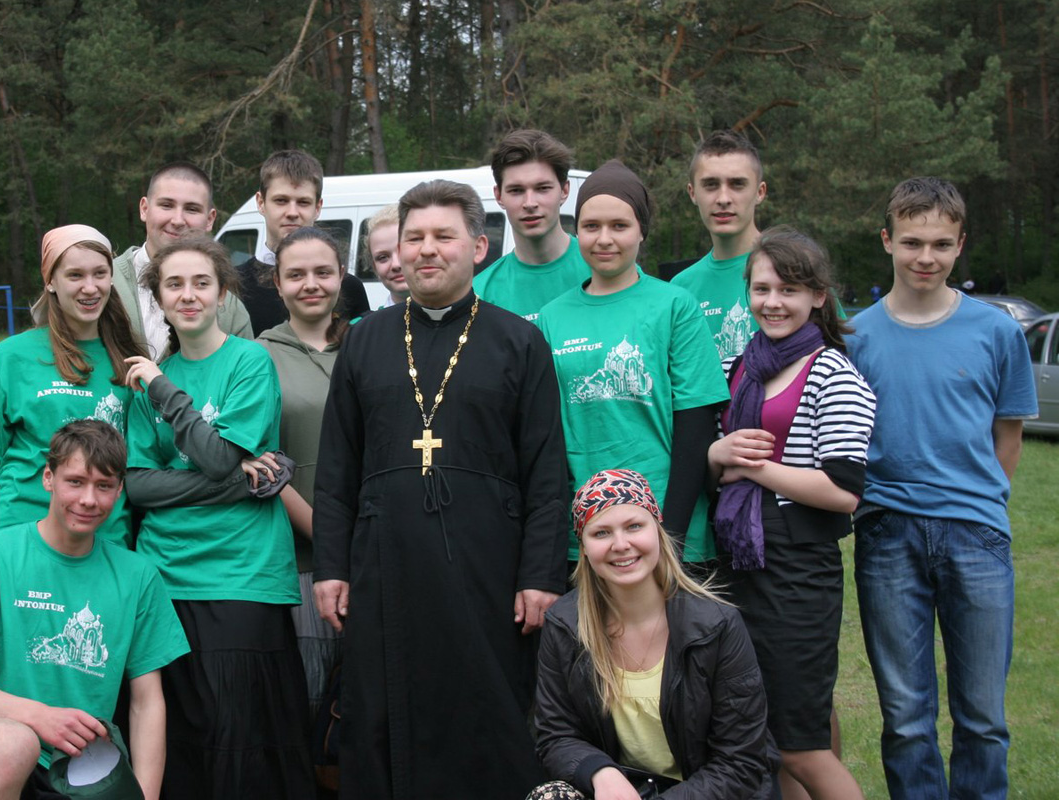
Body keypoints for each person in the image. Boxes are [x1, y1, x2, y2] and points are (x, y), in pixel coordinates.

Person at [313, 179, 570, 800]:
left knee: (483, 710)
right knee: (381, 711)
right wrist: (330, 567)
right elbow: (336, 468)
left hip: (487, 567)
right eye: (414, 238)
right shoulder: (365, 340)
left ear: (478, 247)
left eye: (443, 237)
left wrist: (541, 574)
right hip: (384, 566)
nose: (426, 250)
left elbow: (546, 469)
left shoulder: (519, 340)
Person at [847, 177, 1036, 800]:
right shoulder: (854, 337)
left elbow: (1007, 435)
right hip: (887, 534)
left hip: (976, 535)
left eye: (939, 244)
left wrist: (982, 505)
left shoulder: (996, 332)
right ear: (887, 241)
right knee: (905, 718)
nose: (924, 257)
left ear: (960, 246)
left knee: (982, 718)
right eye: (911, 242)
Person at [125, 235, 313, 798]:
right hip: (165, 574)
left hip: (242, 575)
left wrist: (165, 392)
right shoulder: (148, 381)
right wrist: (235, 485)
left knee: (243, 733)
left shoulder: (248, 362)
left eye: (201, 283)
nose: (188, 295)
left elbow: (212, 455)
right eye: (174, 284)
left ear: (222, 292)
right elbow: (136, 484)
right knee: (183, 733)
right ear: (157, 296)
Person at [0, 420, 188, 800]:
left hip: (81, 765)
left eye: (104, 486)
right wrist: (38, 717)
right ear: (48, 478)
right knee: (15, 744)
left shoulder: (138, 576)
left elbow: (146, 703)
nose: (89, 500)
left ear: (120, 490)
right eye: (75, 481)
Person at [708, 227, 874, 800]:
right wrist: (716, 454)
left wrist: (753, 468)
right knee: (763, 733)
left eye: (789, 290)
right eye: (761, 289)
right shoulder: (736, 368)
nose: (773, 302)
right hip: (735, 561)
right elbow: (712, 454)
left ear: (818, 297)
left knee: (803, 741)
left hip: (798, 570)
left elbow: (843, 490)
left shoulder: (833, 373)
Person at [530, 469, 774, 800]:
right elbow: (555, 733)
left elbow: (741, 763)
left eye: (634, 526)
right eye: (601, 533)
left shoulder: (717, 625)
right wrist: (599, 772)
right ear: (584, 548)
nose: (621, 545)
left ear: (657, 531)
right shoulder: (565, 625)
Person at [536, 160, 728, 574]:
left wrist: (669, 539)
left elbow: (696, 429)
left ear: (642, 229)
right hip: (586, 537)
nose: (604, 239)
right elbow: (546, 437)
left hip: (668, 531)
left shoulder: (675, 306)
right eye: (591, 226)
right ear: (576, 231)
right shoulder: (551, 318)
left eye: (619, 226)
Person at [0, 224, 144, 545]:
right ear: (50, 281)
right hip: (20, 538)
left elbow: (139, 469)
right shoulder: (12, 356)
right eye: (75, 275)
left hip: (105, 543)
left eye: (99, 274)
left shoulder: (131, 359)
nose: (90, 287)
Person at [256, 226, 349, 719]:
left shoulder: (368, 344)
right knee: (309, 701)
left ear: (341, 275)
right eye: (296, 274)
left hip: (371, 555)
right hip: (302, 561)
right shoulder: (257, 356)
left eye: (322, 272)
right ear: (278, 283)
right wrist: (328, 536)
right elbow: (260, 464)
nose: (310, 284)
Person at [113, 161, 253, 360]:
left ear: (210, 219)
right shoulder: (104, 282)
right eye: (166, 205)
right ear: (144, 209)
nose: (178, 220)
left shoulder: (229, 308)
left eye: (192, 209)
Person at [237, 150, 370, 333]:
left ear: (318, 207)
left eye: (303, 202)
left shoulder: (347, 287)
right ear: (261, 203)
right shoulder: (234, 286)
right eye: (281, 200)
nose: (292, 212)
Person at [473, 129, 590, 321]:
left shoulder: (604, 269)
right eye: (516, 190)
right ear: (498, 196)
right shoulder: (481, 294)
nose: (529, 203)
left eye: (542, 188)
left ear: (565, 190)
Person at [673, 130, 767, 360]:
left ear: (760, 192)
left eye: (737, 184)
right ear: (693, 193)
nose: (723, 198)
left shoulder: (796, 272)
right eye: (711, 185)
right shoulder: (681, 289)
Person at [363, 204, 409, 308]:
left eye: (403, 251)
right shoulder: (367, 324)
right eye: (383, 257)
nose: (396, 265)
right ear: (374, 267)